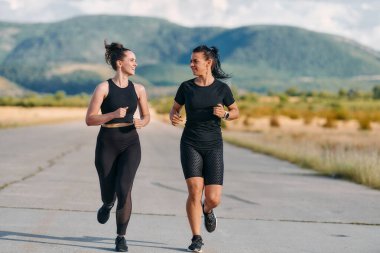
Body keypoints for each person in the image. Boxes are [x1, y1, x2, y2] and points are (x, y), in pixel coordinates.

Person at [169, 45, 239, 252]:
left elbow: (235, 111)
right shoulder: (186, 87)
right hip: (190, 143)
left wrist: (225, 114)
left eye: (195, 61)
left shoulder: (222, 89)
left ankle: (207, 211)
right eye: (190, 61)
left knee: (213, 198)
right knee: (194, 191)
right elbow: (174, 109)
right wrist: (173, 116)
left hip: (213, 145)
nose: (191, 65)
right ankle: (196, 237)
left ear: (208, 63)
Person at [85, 41, 150, 252]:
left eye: (136, 60)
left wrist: (143, 121)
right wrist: (112, 114)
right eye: (132, 60)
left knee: (124, 189)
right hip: (107, 142)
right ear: (120, 63)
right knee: (108, 191)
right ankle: (106, 204)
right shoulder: (103, 88)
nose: (136, 64)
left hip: (131, 142)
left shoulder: (139, 89)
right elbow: (90, 119)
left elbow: (147, 115)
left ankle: (121, 236)